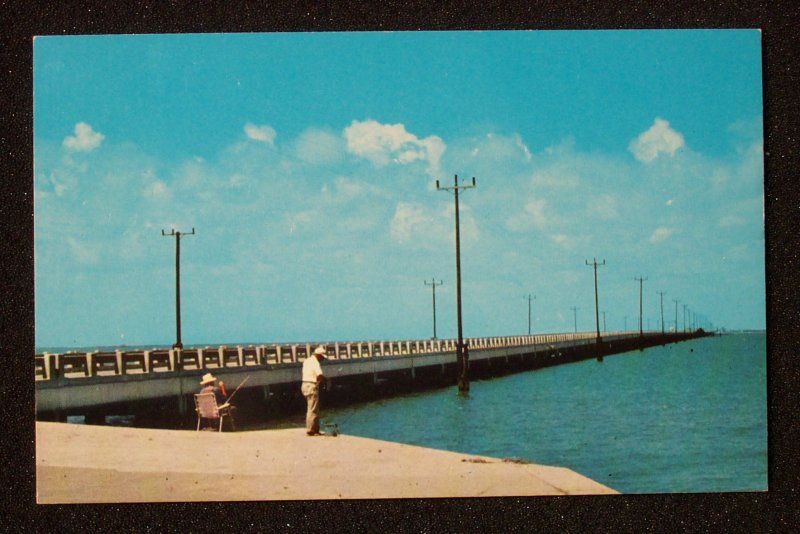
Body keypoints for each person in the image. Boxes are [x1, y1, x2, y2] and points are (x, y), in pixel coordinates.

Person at [301, 345, 327, 435]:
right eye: (322, 357)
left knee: (310, 408)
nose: (322, 359)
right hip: (311, 385)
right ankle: (312, 430)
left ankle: (313, 428)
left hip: (304, 385)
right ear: (319, 355)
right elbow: (319, 375)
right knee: (313, 409)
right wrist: (325, 380)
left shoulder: (306, 361)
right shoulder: (315, 362)